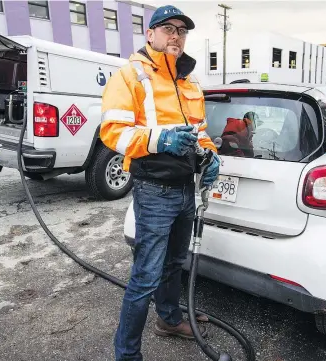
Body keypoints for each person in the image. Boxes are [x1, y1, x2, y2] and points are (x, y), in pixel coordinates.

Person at [99, 5, 220, 361]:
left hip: (184, 188)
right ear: (150, 34)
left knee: (174, 263)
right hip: (154, 190)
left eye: (182, 30)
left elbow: (200, 133)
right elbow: (112, 131)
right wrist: (159, 141)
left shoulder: (189, 80)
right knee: (145, 276)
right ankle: (126, 354)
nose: (176, 35)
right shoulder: (131, 75)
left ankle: (168, 319)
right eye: (167, 28)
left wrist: (210, 156)